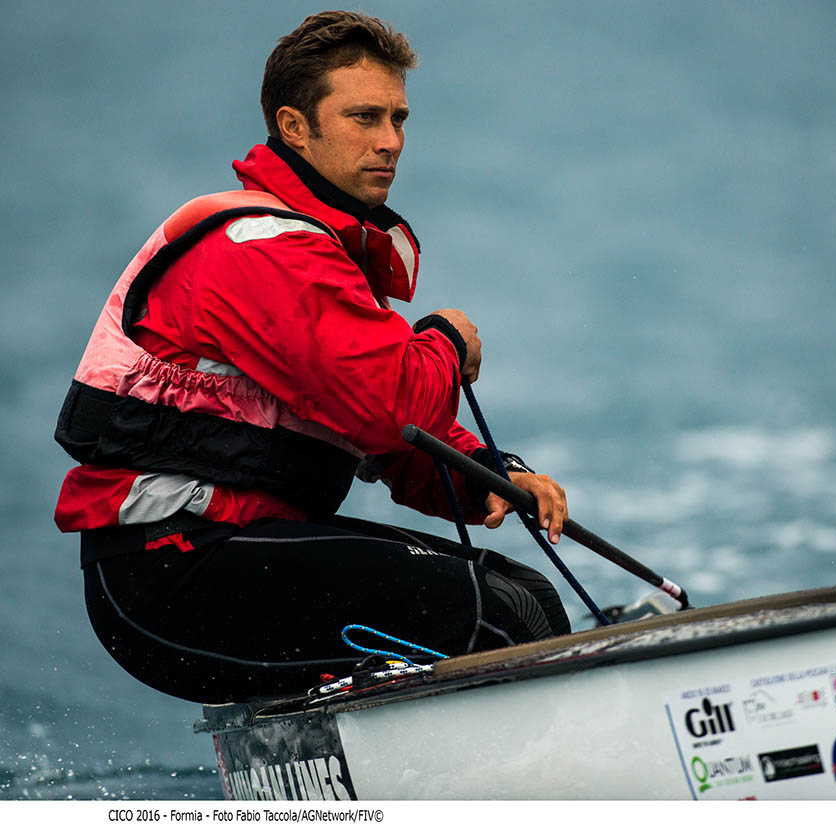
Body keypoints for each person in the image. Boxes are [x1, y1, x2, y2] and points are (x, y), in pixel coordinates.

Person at [53, 11, 571, 704]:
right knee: (501, 612)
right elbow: (390, 409)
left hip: (232, 547)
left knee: (526, 592)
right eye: (364, 117)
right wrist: (445, 338)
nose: (391, 141)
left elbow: (391, 436)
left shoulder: (310, 249)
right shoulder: (263, 248)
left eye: (399, 119)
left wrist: (491, 477)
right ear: (295, 127)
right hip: (170, 570)